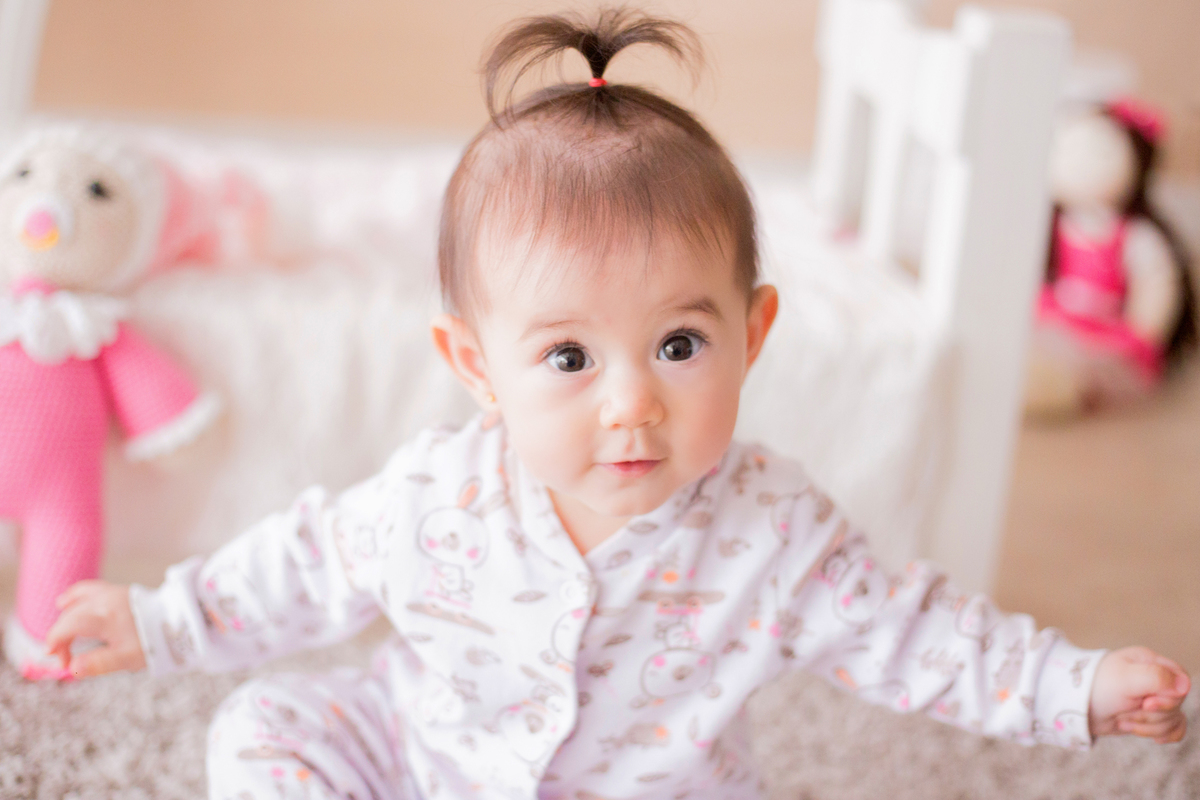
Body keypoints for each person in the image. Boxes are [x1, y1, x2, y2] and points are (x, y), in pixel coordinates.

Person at [43, 9, 1189, 800]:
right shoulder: (438, 495)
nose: (633, 401)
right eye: (569, 358)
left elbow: (922, 635)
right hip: (428, 761)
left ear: (756, 335)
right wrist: (161, 621)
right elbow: (300, 567)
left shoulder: (775, 531)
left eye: (681, 343)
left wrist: (1074, 688)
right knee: (262, 727)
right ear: (478, 365)